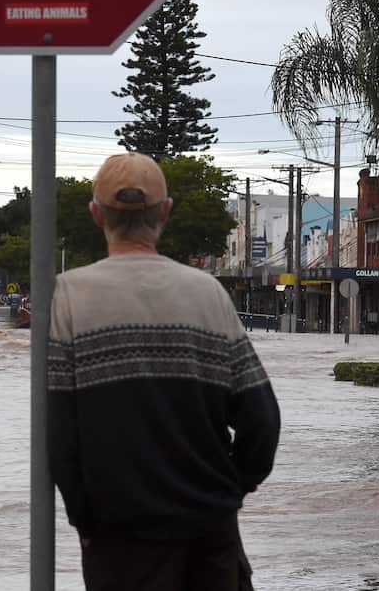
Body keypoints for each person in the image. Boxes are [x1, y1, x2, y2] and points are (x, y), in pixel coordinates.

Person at [48, 152, 281, 591]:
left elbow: (61, 436)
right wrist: (225, 495)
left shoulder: (69, 298)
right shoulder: (208, 294)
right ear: (166, 213)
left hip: (117, 544)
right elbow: (262, 423)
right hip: (208, 540)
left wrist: (89, 518)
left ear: (96, 215)